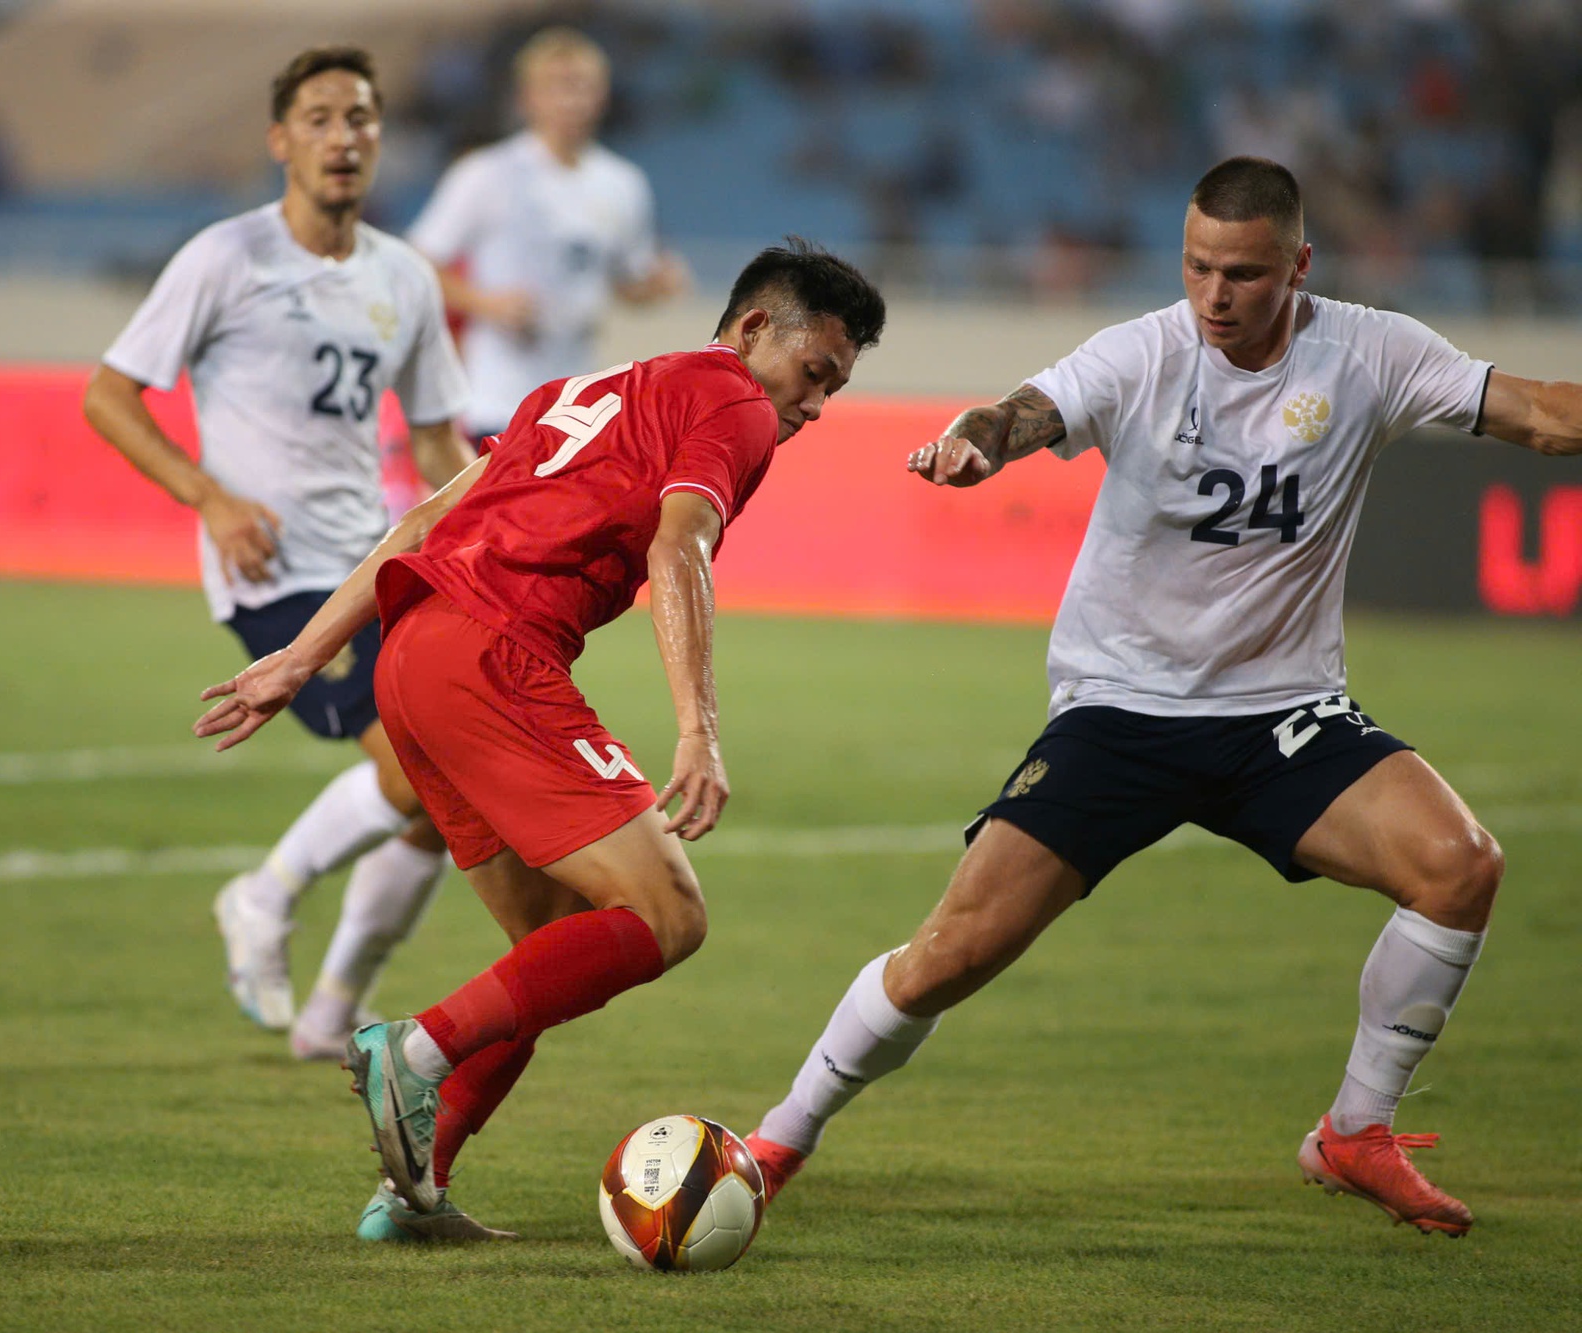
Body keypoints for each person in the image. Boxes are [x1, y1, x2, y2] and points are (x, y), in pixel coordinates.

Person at [742, 157, 1582, 1238]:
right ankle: (777, 1139)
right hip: (1120, 710)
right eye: (1195, 267)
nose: (1212, 296)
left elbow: (1542, 417)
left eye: (1240, 273)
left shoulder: (1370, 350)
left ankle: (1352, 1132)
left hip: (1280, 715)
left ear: (1297, 266)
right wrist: (974, 443)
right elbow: (1028, 409)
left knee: (1459, 867)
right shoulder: (1141, 353)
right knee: (951, 952)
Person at [194, 239, 886, 1242]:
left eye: (835, 387)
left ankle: (411, 1192)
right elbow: (678, 543)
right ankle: (415, 1049)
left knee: (546, 949)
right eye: (814, 372)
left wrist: (304, 656)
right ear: (750, 330)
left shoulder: (582, 389)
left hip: (412, 653)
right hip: (493, 656)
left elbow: (427, 517)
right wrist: (698, 729)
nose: (817, 404)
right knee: (668, 914)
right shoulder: (733, 404)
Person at [83, 47, 475, 1061]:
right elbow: (109, 394)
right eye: (318, 118)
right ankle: (265, 893)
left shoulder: (403, 276)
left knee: (450, 797)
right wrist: (208, 496)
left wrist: (485, 534)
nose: (342, 137)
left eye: (359, 118)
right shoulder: (226, 257)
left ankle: (332, 1008)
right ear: (279, 141)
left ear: (380, 138)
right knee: (417, 765)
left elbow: (436, 436)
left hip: (374, 559)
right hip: (270, 567)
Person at [408, 26, 690, 442]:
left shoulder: (622, 184)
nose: (570, 100)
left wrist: (659, 285)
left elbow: (625, 284)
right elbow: (414, 262)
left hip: (578, 405)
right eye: (557, 87)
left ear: (602, 96)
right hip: (497, 400)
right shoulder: (487, 173)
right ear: (527, 98)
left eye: (582, 87)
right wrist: (484, 302)